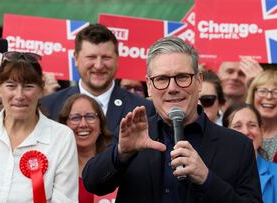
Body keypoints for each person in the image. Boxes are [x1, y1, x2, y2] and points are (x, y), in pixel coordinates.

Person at [82, 36, 262, 202]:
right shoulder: (133, 133)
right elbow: (93, 184)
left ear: (199, 81)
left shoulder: (238, 146)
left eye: (182, 77)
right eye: (162, 79)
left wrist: (207, 179)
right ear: (150, 87)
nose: (172, 88)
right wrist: (121, 153)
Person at [0, 51, 78, 202]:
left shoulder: (62, 137)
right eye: (11, 86)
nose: (19, 95)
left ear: (41, 89)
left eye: (28, 86)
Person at [41, 23, 155, 134]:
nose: (99, 65)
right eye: (91, 57)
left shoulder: (144, 109)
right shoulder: (48, 106)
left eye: (106, 57)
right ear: (76, 59)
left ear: (117, 59)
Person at [222, 103, 277, 203]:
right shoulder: (214, 174)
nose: (245, 131)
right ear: (224, 134)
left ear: (261, 131)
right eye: (237, 126)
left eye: (252, 125)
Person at [58, 94, 112, 203]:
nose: (83, 124)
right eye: (75, 118)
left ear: (101, 125)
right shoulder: (56, 167)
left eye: (90, 116)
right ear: (64, 125)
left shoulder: (114, 165)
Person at [246, 70, 277, 160]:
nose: (268, 97)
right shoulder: (239, 132)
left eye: (276, 92)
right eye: (262, 91)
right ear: (252, 96)